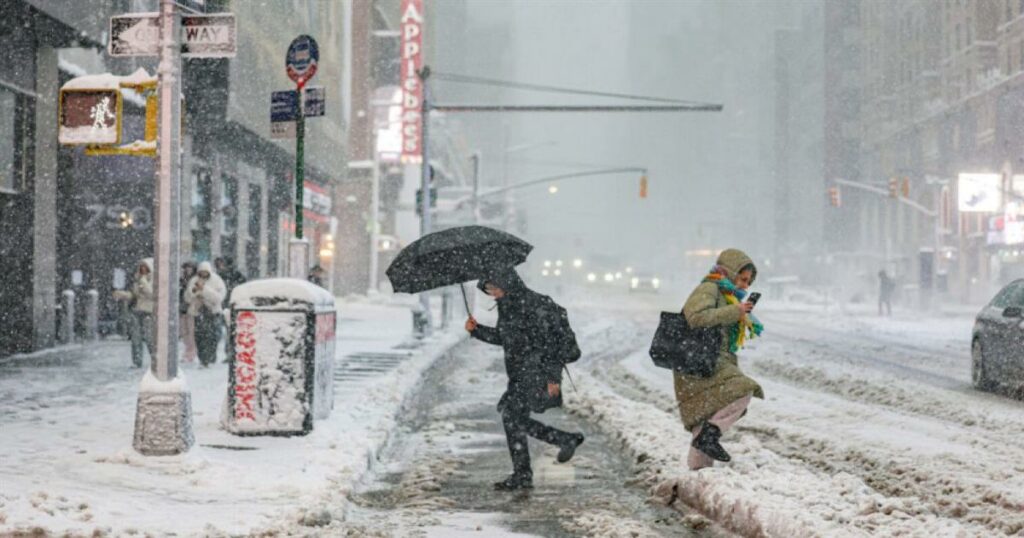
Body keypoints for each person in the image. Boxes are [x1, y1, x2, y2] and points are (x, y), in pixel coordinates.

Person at [465, 267, 585, 491]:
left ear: (507, 283)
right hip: (521, 373)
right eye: (489, 290)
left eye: (495, 288)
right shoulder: (509, 305)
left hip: (536, 372)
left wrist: (552, 378)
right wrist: (477, 330)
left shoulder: (531, 305)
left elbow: (550, 344)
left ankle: (526, 472)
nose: (493, 294)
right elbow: (507, 338)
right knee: (514, 419)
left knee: (512, 418)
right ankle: (558, 445)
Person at [677, 248, 765, 471]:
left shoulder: (727, 296)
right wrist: (735, 311)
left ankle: (699, 474)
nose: (745, 286)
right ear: (731, 271)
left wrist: (739, 312)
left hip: (705, 361)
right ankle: (711, 434)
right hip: (699, 361)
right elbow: (695, 317)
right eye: (743, 279)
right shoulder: (709, 289)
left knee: (704, 413)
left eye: (749, 282)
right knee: (743, 389)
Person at [113, 258, 155, 368]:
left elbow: (151, 294)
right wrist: (122, 294)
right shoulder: (137, 280)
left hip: (149, 311)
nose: (143, 270)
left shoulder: (152, 281)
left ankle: (156, 360)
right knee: (136, 338)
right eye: (141, 268)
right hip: (137, 310)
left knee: (150, 338)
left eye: (146, 268)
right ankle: (137, 361)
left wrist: (144, 281)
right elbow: (134, 295)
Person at [184, 261, 226, 367]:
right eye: (201, 272)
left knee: (213, 336)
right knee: (199, 336)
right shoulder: (194, 280)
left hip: (213, 312)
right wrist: (195, 291)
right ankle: (203, 358)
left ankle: (211, 356)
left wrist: (204, 290)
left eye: (205, 272)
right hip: (198, 312)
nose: (203, 274)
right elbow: (188, 297)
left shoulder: (217, 280)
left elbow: (218, 298)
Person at [179, 261, 198, 363]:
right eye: (186, 268)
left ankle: (191, 352)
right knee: (184, 331)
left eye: (190, 268)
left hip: (191, 308)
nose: (187, 270)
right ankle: (187, 350)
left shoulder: (195, 280)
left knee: (191, 331)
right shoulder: (182, 280)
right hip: (182, 308)